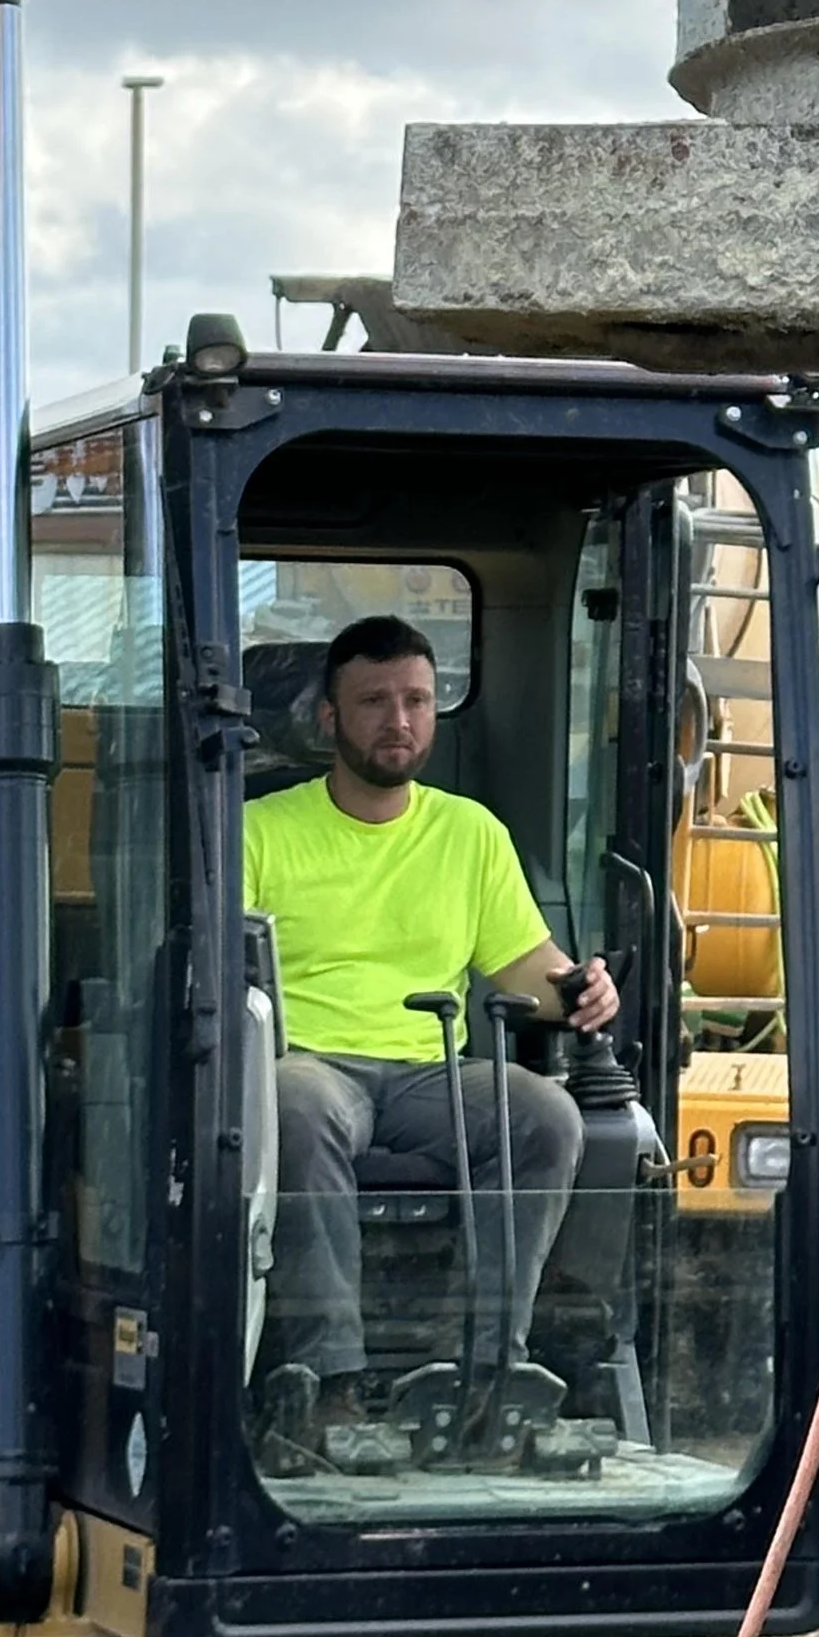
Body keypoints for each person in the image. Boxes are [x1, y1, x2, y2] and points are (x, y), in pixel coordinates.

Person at [244, 613, 619, 1455]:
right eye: (374, 700)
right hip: (310, 1063)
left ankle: (482, 1368)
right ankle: (329, 1382)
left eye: (416, 698)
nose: (399, 719)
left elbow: (528, 969)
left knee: (547, 1116)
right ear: (329, 718)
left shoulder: (470, 833)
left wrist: (583, 989)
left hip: (429, 1075)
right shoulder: (262, 829)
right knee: (290, 1103)